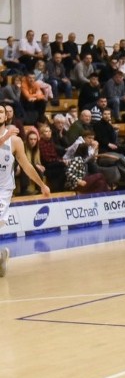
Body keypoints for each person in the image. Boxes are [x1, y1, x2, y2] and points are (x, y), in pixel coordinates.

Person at [0, 106, 51, 277]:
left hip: (3, 189)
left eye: (1, 111)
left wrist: (41, 185)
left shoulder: (15, 141)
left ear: (5, 116)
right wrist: (5, 136)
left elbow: (26, 166)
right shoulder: (8, 137)